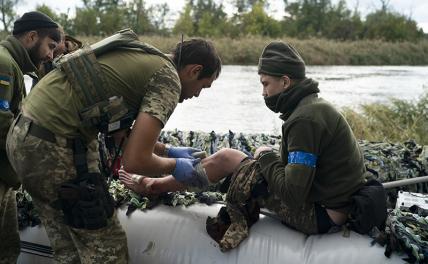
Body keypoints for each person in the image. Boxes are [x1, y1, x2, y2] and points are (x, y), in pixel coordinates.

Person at [6, 28, 221, 263]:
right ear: (194, 71)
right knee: (108, 249)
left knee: (67, 247)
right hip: (55, 148)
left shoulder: (141, 57)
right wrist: (176, 166)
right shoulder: (168, 79)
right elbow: (135, 161)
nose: (198, 95)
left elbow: (120, 132)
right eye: (203, 86)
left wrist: (166, 151)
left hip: (22, 139)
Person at [120, 41, 368, 237]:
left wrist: (266, 156)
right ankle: (158, 183)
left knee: (229, 158)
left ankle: (152, 186)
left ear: (285, 81)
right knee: (232, 159)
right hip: (327, 203)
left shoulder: (305, 120)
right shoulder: (311, 107)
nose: (263, 93)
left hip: (320, 215)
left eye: (266, 84)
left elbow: (292, 194)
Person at [0, 11, 60, 263]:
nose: (50, 55)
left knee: (8, 247)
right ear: (32, 37)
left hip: (4, 176)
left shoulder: (12, 64)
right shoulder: (3, 64)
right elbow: (2, 121)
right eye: (50, 46)